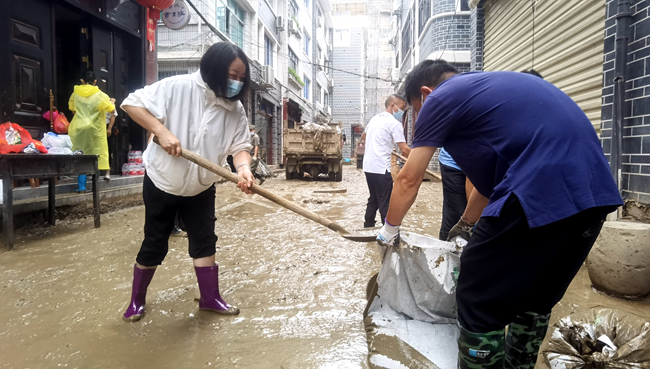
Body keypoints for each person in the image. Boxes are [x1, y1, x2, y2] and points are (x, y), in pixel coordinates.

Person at [377, 60, 623, 368]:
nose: (419, 117)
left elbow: (409, 179)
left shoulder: (441, 97)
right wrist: (466, 224)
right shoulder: (493, 96)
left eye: (415, 110)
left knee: (477, 292)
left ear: (426, 94)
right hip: (594, 196)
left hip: (540, 187)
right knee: (534, 295)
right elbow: (489, 188)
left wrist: (388, 230)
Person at [120, 42, 255, 322]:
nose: (236, 82)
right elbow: (132, 103)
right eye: (233, 74)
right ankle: (136, 301)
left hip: (202, 184)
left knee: (205, 241)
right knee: (155, 242)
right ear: (216, 69)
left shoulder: (235, 109)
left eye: (241, 78)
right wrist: (161, 131)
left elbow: (240, 145)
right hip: (162, 180)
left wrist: (243, 168)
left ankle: (210, 298)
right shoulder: (178, 87)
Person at [361, 94, 411, 228]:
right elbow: (404, 150)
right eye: (401, 108)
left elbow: (363, 137)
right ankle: (387, 231)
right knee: (385, 200)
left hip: (368, 167)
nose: (402, 112)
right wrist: (418, 160)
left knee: (374, 198)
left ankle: (368, 224)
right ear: (392, 106)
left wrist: (382, 144)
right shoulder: (394, 124)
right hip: (381, 168)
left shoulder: (374, 119)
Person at [68, 70, 116, 191]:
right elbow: (111, 110)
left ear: (81, 81)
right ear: (95, 82)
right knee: (96, 156)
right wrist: (112, 102)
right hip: (95, 129)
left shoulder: (75, 94)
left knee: (81, 155)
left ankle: (82, 186)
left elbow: (72, 110)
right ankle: (95, 187)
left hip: (79, 128)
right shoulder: (101, 95)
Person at [104, 97, 119, 180]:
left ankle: (107, 171)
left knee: (108, 149)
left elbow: (113, 114)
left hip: (105, 126)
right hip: (95, 126)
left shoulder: (108, 102)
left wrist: (109, 128)